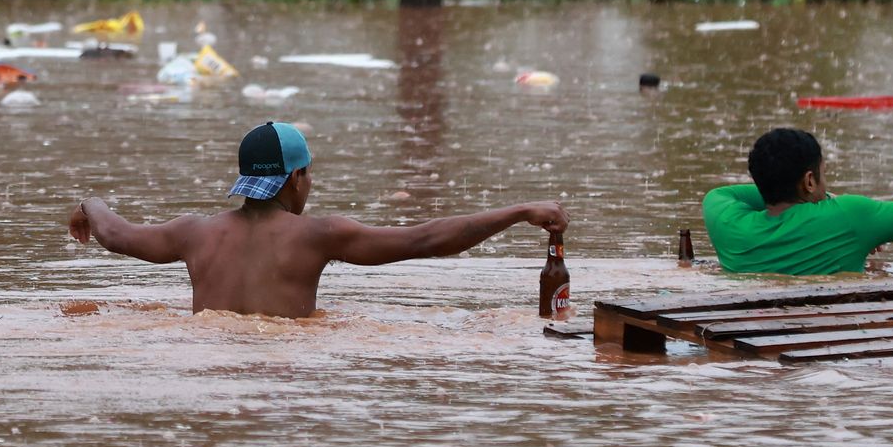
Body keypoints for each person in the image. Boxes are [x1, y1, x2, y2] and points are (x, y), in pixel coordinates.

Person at [66, 121, 568, 319]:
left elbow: (115, 234)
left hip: (209, 364)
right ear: (297, 177)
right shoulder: (318, 235)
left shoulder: (194, 232)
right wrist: (519, 211)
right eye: (309, 176)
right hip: (288, 367)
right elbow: (428, 240)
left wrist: (90, 203)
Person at [702, 128, 893, 275]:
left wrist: (773, 186)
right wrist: (841, 206)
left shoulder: (727, 223)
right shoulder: (849, 215)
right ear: (810, 181)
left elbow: (723, 194)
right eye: (824, 173)